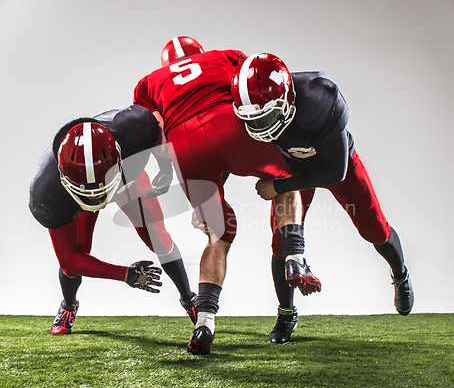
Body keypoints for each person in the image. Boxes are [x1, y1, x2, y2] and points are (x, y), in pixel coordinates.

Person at [134, 37, 308, 355]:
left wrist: (166, 171)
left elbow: (154, 132)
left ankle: (204, 323)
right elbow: (249, 87)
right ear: (200, 54)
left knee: (219, 236)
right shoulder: (222, 57)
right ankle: (295, 256)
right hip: (229, 125)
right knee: (287, 178)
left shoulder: (148, 83)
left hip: (185, 148)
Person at [231, 53, 414, 344]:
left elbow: (335, 171)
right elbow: (226, 153)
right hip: (290, 167)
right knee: (281, 244)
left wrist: (279, 187)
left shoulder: (320, 98)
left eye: (267, 115)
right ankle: (286, 312)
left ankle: (400, 273)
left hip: (335, 165)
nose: (262, 126)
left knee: (374, 228)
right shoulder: (248, 111)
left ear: (288, 98)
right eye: (255, 118)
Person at [29, 105, 196, 335]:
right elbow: (69, 260)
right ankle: (68, 304)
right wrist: (126, 274)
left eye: (101, 191)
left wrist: (165, 166)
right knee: (78, 253)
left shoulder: (134, 129)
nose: (98, 198)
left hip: (122, 182)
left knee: (159, 238)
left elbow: (158, 124)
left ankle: (189, 300)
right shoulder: (48, 193)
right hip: (79, 197)